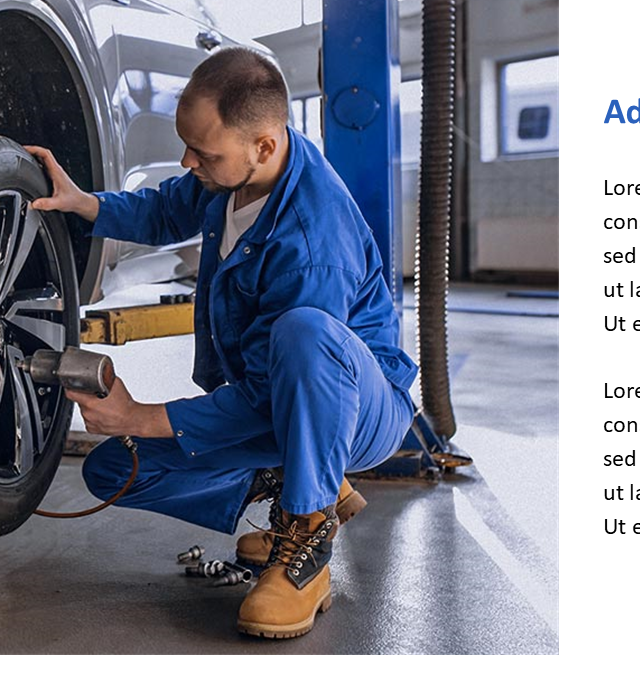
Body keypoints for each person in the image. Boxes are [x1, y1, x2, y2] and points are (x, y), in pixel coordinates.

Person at [24, 47, 417, 639]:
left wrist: (140, 413)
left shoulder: (313, 241)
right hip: (286, 398)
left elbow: (268, 394)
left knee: (303, 330)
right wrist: (86, 205)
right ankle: (299, 485)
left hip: (362, 407)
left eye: (202, 152)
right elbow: (163, 211)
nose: (188, 160)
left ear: (263, 145)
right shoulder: (232, 175)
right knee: (115, 470)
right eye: (188, 145)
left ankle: (306, 542)